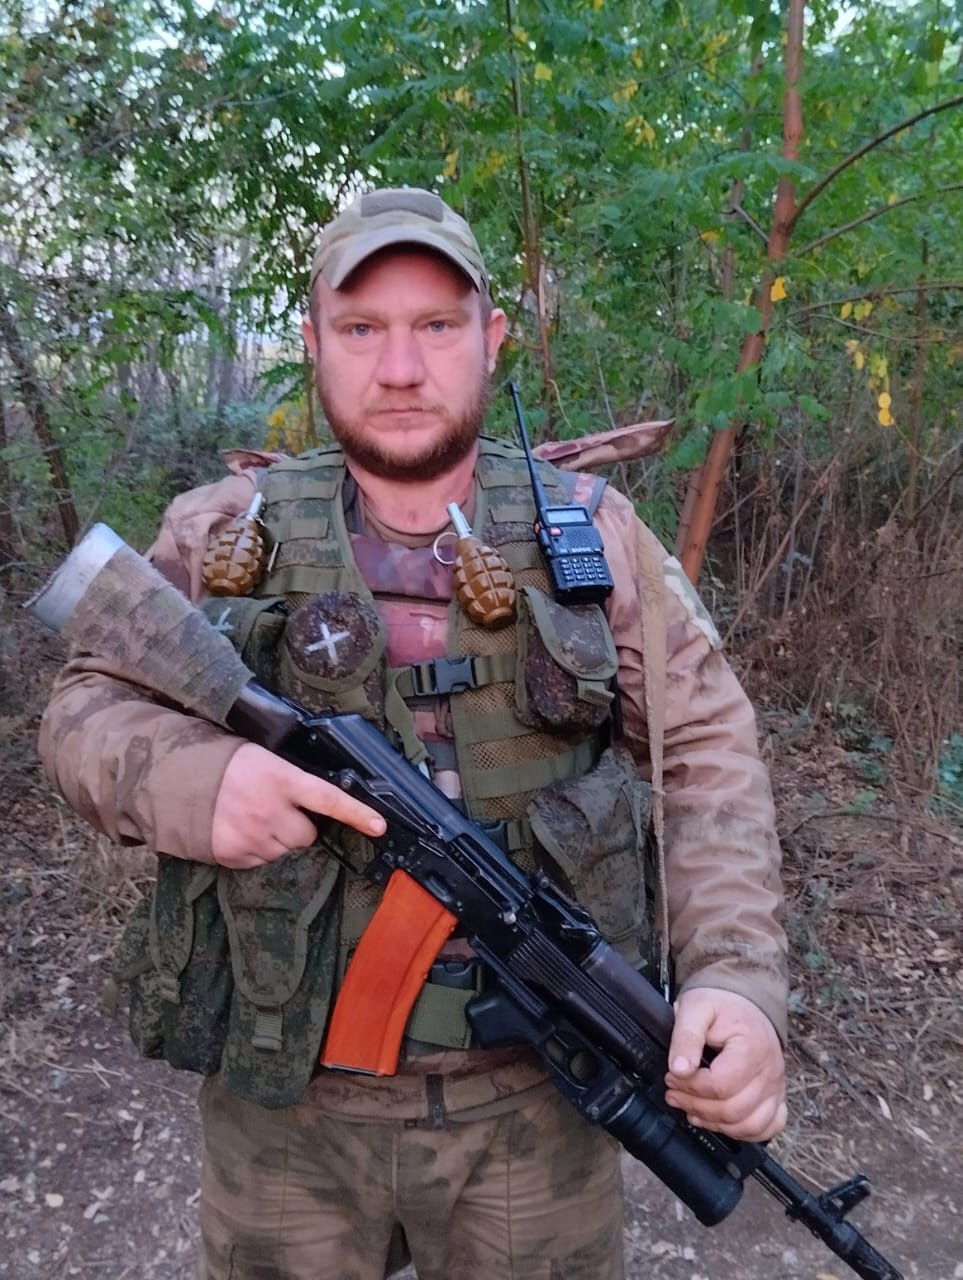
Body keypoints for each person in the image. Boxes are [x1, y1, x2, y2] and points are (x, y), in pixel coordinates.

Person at [39, 187, 788, 1280]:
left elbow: (707, 757)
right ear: (312, 344)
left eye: (436, 325)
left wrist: (734, 981)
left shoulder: (593, 535)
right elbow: (83, 708)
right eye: (361, 328)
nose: (399, 368)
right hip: (284, 1111)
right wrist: (201, 782)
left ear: (492, 338)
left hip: (532, 1119)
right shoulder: (220, 529)